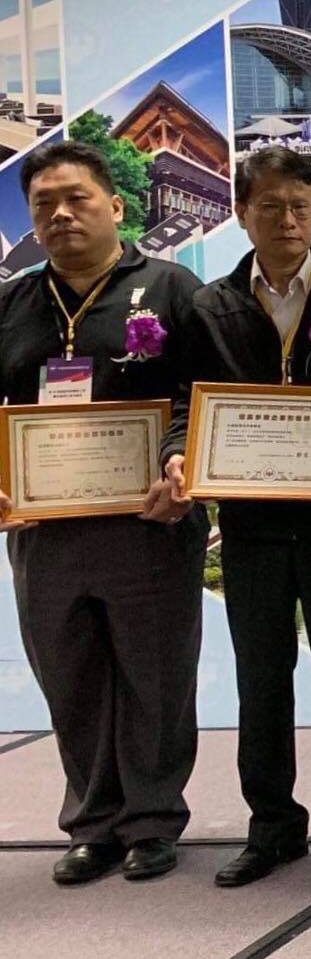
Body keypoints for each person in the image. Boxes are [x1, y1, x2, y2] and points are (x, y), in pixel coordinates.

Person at [179, 147, 311, 886]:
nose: (287, 219)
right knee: (262, 678)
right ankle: (271, 825)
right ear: (242, 213)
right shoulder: (210, 304)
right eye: (270, 206)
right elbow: (189, 404)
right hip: (253, 525)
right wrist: (181, 456)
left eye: (301, 205)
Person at [0, 139, 202, 885]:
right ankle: (93, 824)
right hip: (45, 528)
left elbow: (200, 394)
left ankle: (151, 820)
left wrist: (180, 460)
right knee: (70, 673)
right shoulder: (12, 302)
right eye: (43, 204)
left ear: (116, 205)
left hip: (149, 519)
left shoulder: (173, 288)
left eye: (76, 198)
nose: (60, 214)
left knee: (156, 675)